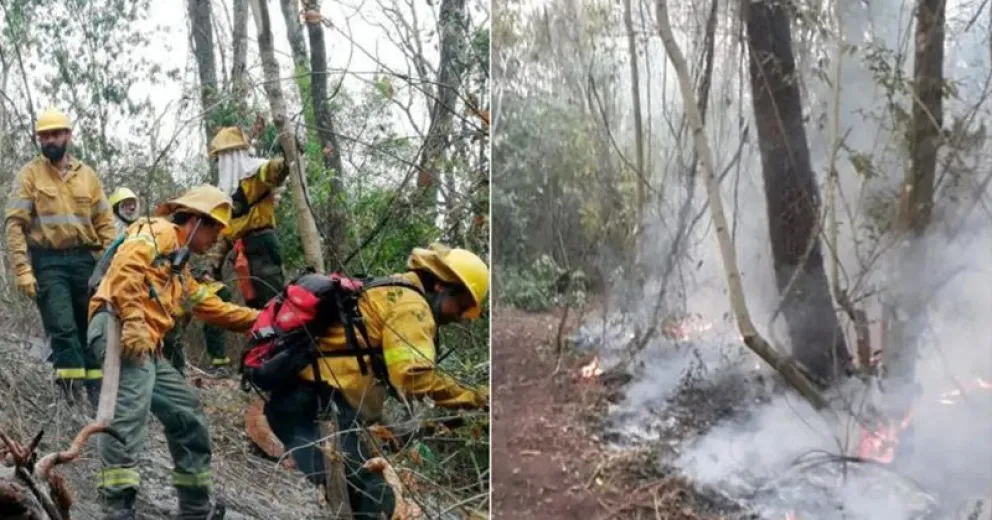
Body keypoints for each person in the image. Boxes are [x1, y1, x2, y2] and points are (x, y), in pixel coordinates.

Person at [263, 243, 490, 519]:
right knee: (375, 498)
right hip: (318, 407)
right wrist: (478, 397)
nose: (460, 316)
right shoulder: (412, 306)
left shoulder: (391, 290)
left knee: (353, 492)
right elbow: (412, 377)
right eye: (463, 304)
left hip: (299, 404)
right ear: (442, 285)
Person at [87, 185, 260, 519]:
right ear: (195, 220)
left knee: (186, 413)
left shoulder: (180, 271)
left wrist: (263, 319)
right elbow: (126, 268)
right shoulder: (159, 231)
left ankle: (195, 508)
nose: (215, 239)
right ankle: (117, 507)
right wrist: (135, 321)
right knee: (127, 413)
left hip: (146, 342)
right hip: (117, 326)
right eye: (214, 229)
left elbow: (211, 307)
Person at [4, 107, 116, 404]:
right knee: (62, 326)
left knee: (88, 327)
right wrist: (23, 270)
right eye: (45, 136)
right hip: (48, 261)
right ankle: (70, 396)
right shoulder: (29, 175)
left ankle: (95, 392)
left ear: (68, 135)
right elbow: (14, 224)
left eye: (56, 134)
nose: (50, 140)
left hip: (85, 262)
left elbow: (105, 223)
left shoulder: (87, 176)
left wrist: (110, 265)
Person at [205, 126, 290, 309]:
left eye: (222, 157)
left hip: (262, 246)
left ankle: (279, 336)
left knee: (272, 302)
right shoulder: (227, 193)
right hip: (242, 253)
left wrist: (287, 156)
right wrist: (212, 264)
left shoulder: (256, 174)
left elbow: (275, 170)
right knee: (254, 307)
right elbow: (226, 232)